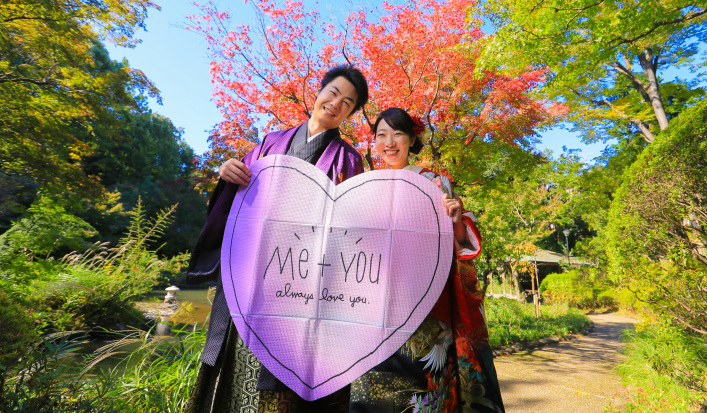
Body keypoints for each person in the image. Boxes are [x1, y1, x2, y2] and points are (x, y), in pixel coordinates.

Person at [184, 65, 369, 413]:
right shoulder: (270, 142)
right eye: (332, 93)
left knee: (278, 375)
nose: (335, 104)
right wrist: (228, 172)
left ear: (351, 113)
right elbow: (238, 191)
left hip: (295, 285)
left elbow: (349, 228)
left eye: (347, 102)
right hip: (248, 271)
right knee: (232, 361)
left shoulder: (348, 159)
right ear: (319, 91)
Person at [343, 107, 505, 412]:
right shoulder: (363, 186)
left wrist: (456, 218)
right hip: (371, 302)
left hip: (426, 304)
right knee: (369, 389)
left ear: (411, 139)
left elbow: (460, 245)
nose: (389, 142)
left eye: (398, 133)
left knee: (424, 387)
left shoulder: (436, 183)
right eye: (381, 134)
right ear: (374, 141)